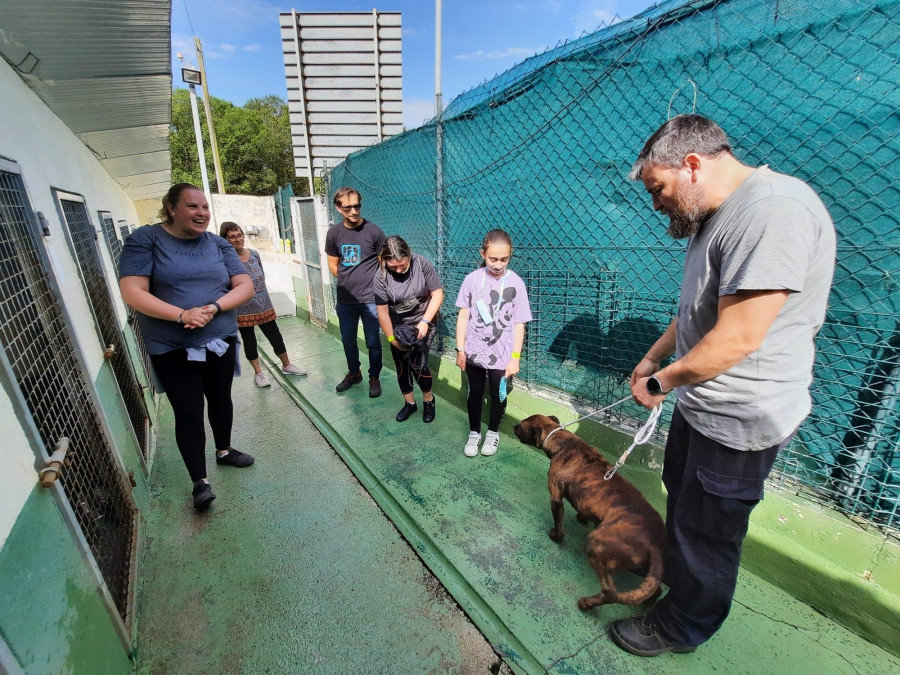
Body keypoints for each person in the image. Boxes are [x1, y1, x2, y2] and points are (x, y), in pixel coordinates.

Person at [610, 114, 836, 656]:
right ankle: (678, 595)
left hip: (740, 416)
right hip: (703, 402)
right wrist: (652, 360)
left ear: (690, 165)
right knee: (686, 513)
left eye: (658, 188)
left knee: (708, 532)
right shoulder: (715, 217)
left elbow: (737, 338)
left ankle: (680, 627)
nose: (656, 203)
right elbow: (696, 312)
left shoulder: (771, 211)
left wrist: (660, 383)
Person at [119, 184, 256, 510]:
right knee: (189, 411)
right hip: (172, 345)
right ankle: (200, 482)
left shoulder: (218, 244)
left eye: (205, 207)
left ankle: (225, 451)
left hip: (219, 339)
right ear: (170, 208)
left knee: (221, 398)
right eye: (192, 206)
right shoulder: (146, 240)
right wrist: (181, 315)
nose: (201, 213)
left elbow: (245, 284)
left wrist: (214, 308)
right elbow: (133, 291)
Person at [455, 229, 532, 457]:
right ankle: (474, 433)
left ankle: (493, 433)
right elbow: (463, 315)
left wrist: (515, 358)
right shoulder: (471, 280)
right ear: (482, 253)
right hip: (474, 353)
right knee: (475, 392)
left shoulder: (516, 284)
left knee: (499, 395)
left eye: (504, 259)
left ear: (510, 256)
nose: (498, 264)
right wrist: (460, 348)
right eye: (492, 259)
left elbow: (519, 323)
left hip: (503, 355)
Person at [219, 221, 308, 387]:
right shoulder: (225, 260)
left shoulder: (254, 254)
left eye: (239, 235)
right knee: (250, 341)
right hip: (242, 310)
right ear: (226, 240)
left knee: (275, 336)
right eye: (232, 237)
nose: (238, 239)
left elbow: (261, 276)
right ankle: (258, 374)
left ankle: (287, 365)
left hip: (264, 305)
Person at [373, 236, 444, 423]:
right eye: (393, 266)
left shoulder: (422, 264)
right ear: (384, 260)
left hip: (423, 320)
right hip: (397, 325)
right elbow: (382, 312)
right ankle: (410, 404)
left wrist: (425, 321)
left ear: (409, 255)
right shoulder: (380, 276)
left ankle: (429, 400)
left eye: (402, 265)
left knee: (417, 363)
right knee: (401, 365)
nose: (398, 270)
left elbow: (437, 294)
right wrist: (391, 339)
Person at [325, 187, 386, 398]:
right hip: (346, 300)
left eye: (357, 206)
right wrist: (347, 282)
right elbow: (333, 265)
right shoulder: (333, 234)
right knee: (348, 340)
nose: (353, 211)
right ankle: (354, 373)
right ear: (338, 208)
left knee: (373, 342)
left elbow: (383, 265)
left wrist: (374, 288)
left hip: (371, 299)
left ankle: (374, 377)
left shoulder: (374, 232)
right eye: (348, 207)